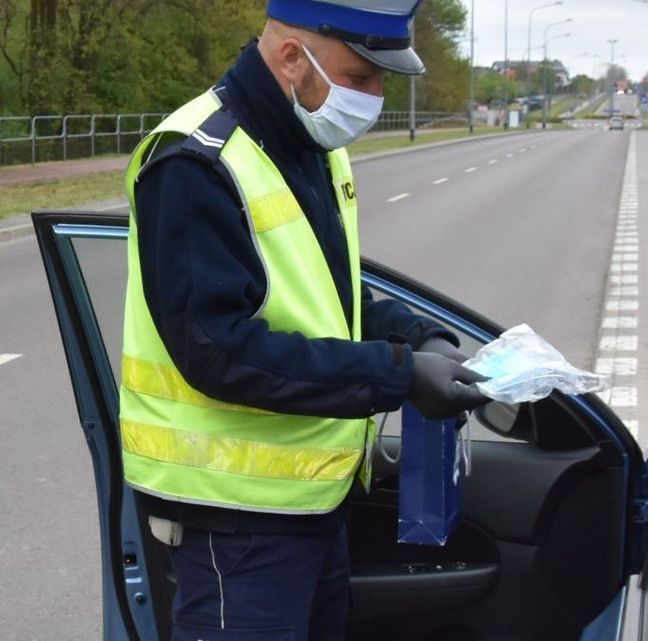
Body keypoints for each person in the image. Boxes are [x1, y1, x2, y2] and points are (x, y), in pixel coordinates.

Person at [118, 1, 489, 638]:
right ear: (293, 58)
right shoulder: (196, 160)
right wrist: (399, 374)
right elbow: (218, 349)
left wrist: (416, 335)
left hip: (312, 503)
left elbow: (326, 295)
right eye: (360, 77)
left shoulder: (309, 143)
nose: (374, 98)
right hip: (232, 519)